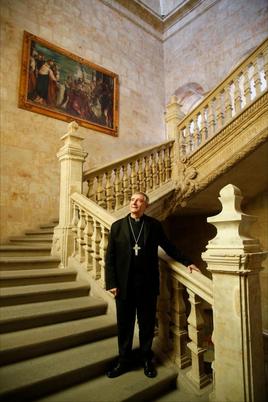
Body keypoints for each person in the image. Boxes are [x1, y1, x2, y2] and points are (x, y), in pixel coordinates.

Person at [105, 192, 199, 379]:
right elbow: (110, 258)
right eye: (132, 200)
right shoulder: (117, 227)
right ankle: (123, 360)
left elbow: (168, 246)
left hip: (146, 285)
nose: (134, 203)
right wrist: (112, 282)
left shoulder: (154, 226)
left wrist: (187, 261)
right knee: (125, 325)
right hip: (123, 286)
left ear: (145, 206)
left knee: (147, 324)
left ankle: (146, 359)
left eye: (139, 201)